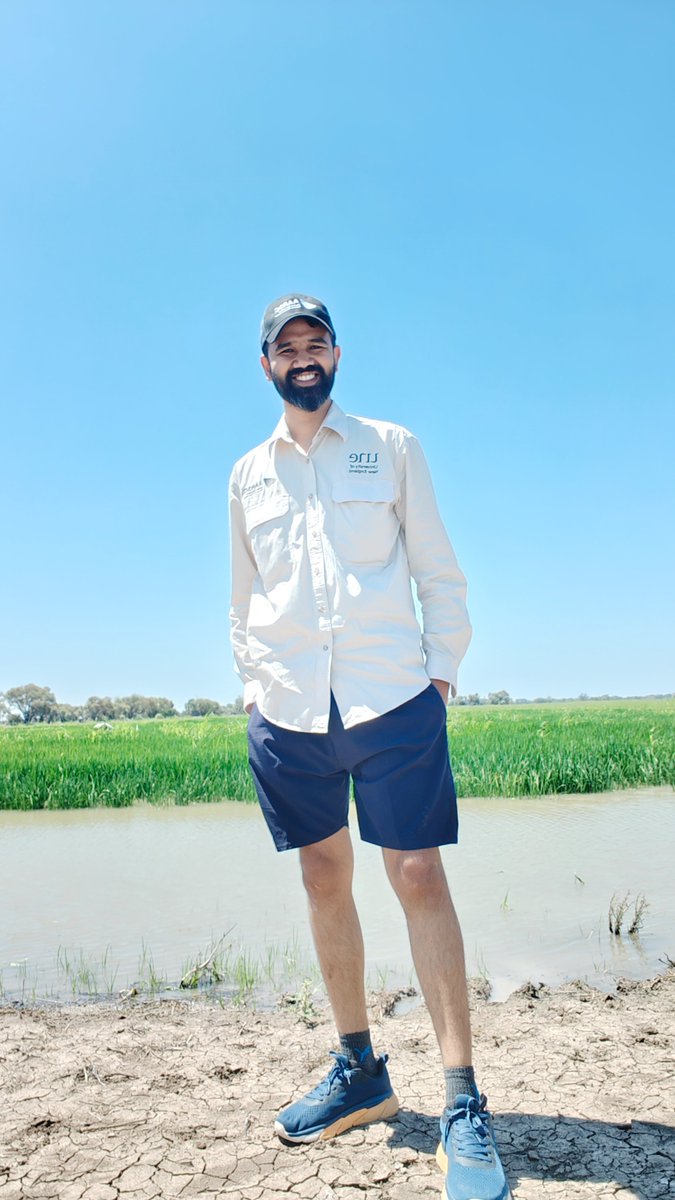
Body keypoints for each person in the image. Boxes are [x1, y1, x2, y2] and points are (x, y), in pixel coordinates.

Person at [228, 293, 511, 1200]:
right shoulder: (246, 476)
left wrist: (440, 677)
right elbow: (243, 603)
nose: (303, 356)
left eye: (316, 341)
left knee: (418, 876)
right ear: (266, 363)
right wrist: (255, 693)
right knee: (321, 876)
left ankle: (462, 1099)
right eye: (286, 346)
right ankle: (360, 1072)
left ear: (336, 354)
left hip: (393, 700)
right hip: (290, 712)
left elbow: (437, 568)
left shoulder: (388, 446)